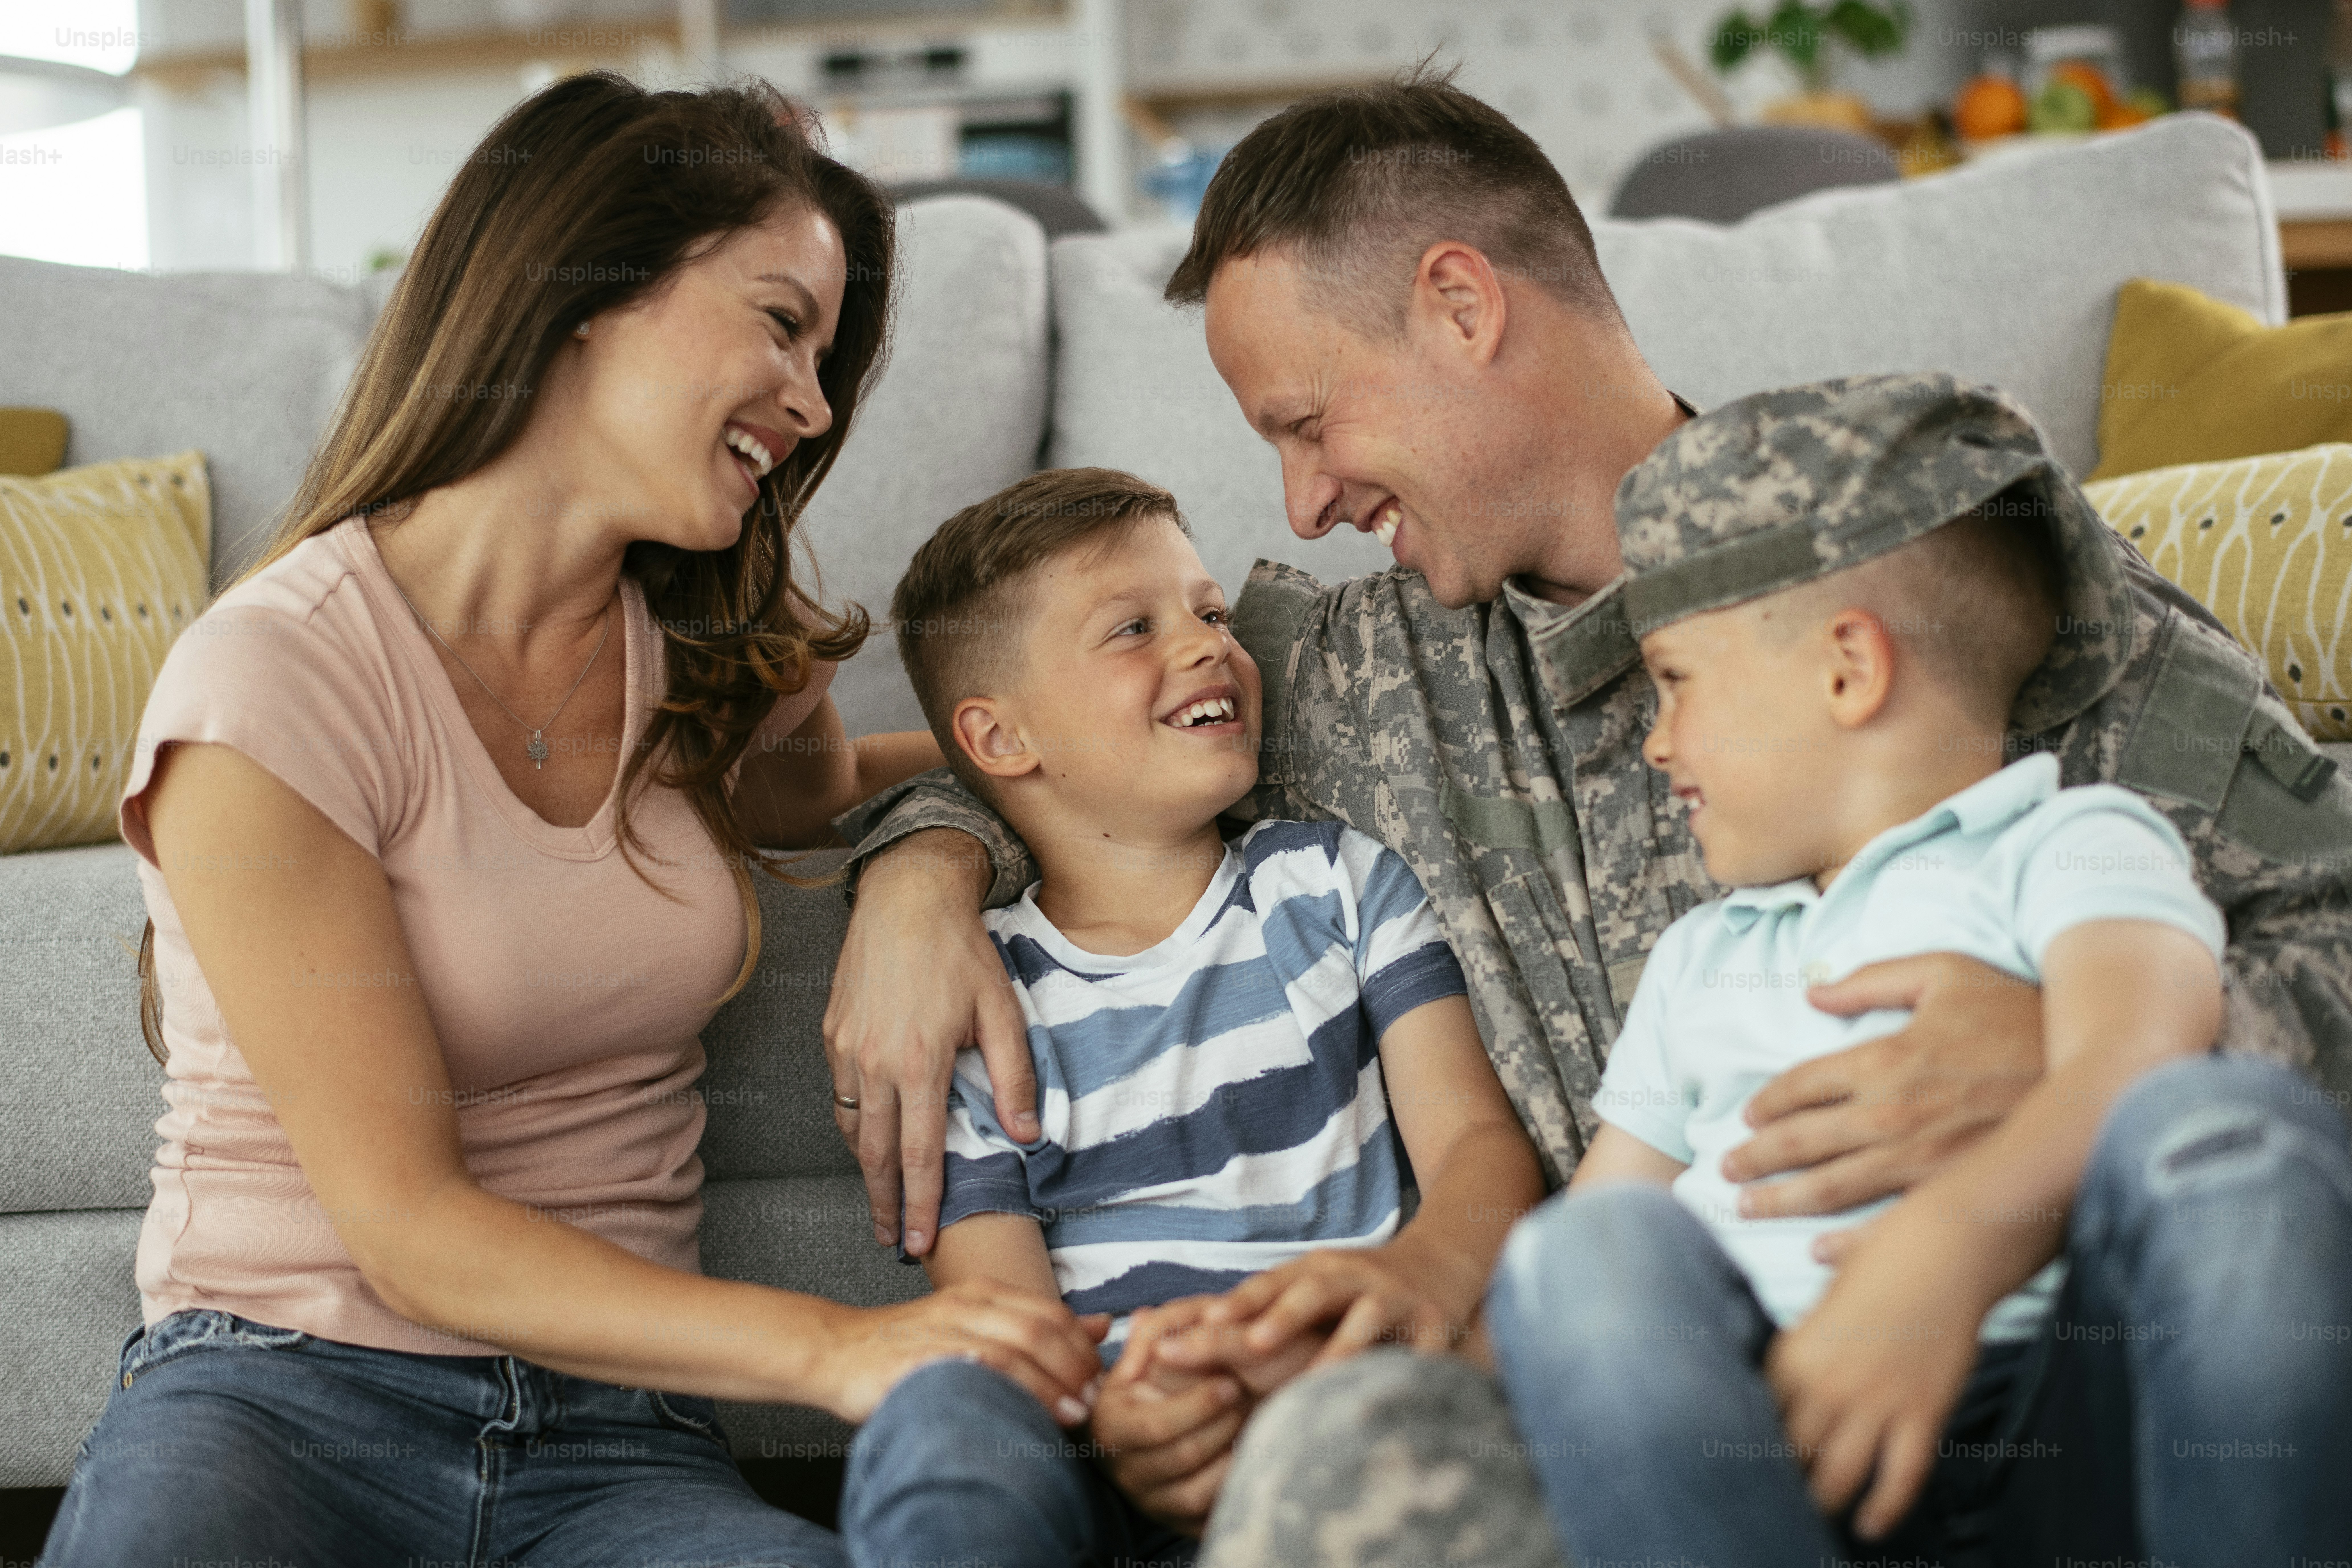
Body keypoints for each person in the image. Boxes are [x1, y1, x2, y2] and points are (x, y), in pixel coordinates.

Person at [819, 64, 2352, 1559]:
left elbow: (2324, 931)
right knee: (1345, 1483)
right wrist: (921, 883)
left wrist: (2081, 1053)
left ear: (1463, 307)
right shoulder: (1351, 672)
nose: (1300, 506)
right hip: (1652, 1390)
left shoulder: (1917, 566)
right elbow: (1037, 746)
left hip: (2067, 1358)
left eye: (1307, 424)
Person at [42, 73, 1106, 1568]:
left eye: (822, 356)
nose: (809, 406)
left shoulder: (702, 653)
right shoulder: (274, 676)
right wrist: (839, 1352)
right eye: (781, 324)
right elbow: (406, 1227)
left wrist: (936, 863)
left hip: (618, 1439)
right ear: (588, 289)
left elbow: (882, 780)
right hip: (279, 1404)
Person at [1480, 375, 2352, 1566]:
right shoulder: (1704, 957)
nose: (1655, 738)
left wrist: (1938, 1261)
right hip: (1781, 1462)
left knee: (2224, 1126)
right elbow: (1598, 1239)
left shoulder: (2081, 840)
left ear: (1849, 668)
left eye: (1676, 680)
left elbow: (2137, 1059)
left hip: (2069, 1417)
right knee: (1577, 1257)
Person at [834, 467, 1544, 1567]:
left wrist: (1416, 1290)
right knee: (945, 1414)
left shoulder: (1338, 889)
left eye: (1211, 613)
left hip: (1348, 1413)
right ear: (1001, 737)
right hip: (1113, 1447)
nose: (1213, 642)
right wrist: (1120, 1427)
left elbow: (1480, 1149)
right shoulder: (977, 1001)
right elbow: (1002, 1313)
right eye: (1135, 629)